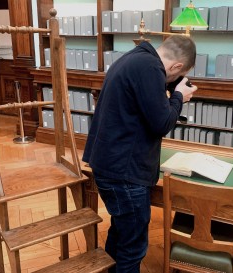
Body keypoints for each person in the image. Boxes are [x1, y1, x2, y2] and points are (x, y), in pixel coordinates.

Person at [82, 35, 197, 273]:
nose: (171, 81)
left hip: (109, 164)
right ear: (176, 67)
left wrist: (170, 88)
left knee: (122, 231)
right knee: (133, 247)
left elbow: (145, 100)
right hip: (124, 173)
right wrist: (179, 97)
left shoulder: (135, 58)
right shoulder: (150, 67)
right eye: (176, 76)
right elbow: (162, 122)